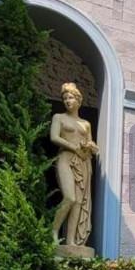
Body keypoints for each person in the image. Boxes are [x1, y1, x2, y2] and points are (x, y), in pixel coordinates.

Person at [50, 82, 98, 247]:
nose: (67, 101)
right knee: (69, 197)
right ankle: (53, 231)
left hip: (82, 162)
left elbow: (89, 142)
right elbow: (54, 137)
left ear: (78, 100)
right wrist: (73, 147)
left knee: (78, 202)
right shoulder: (59, 117)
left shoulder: (86, 124)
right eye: (65, 98)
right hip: (65, 158)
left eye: (70, 98)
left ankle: (71, 241)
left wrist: (91, 147)